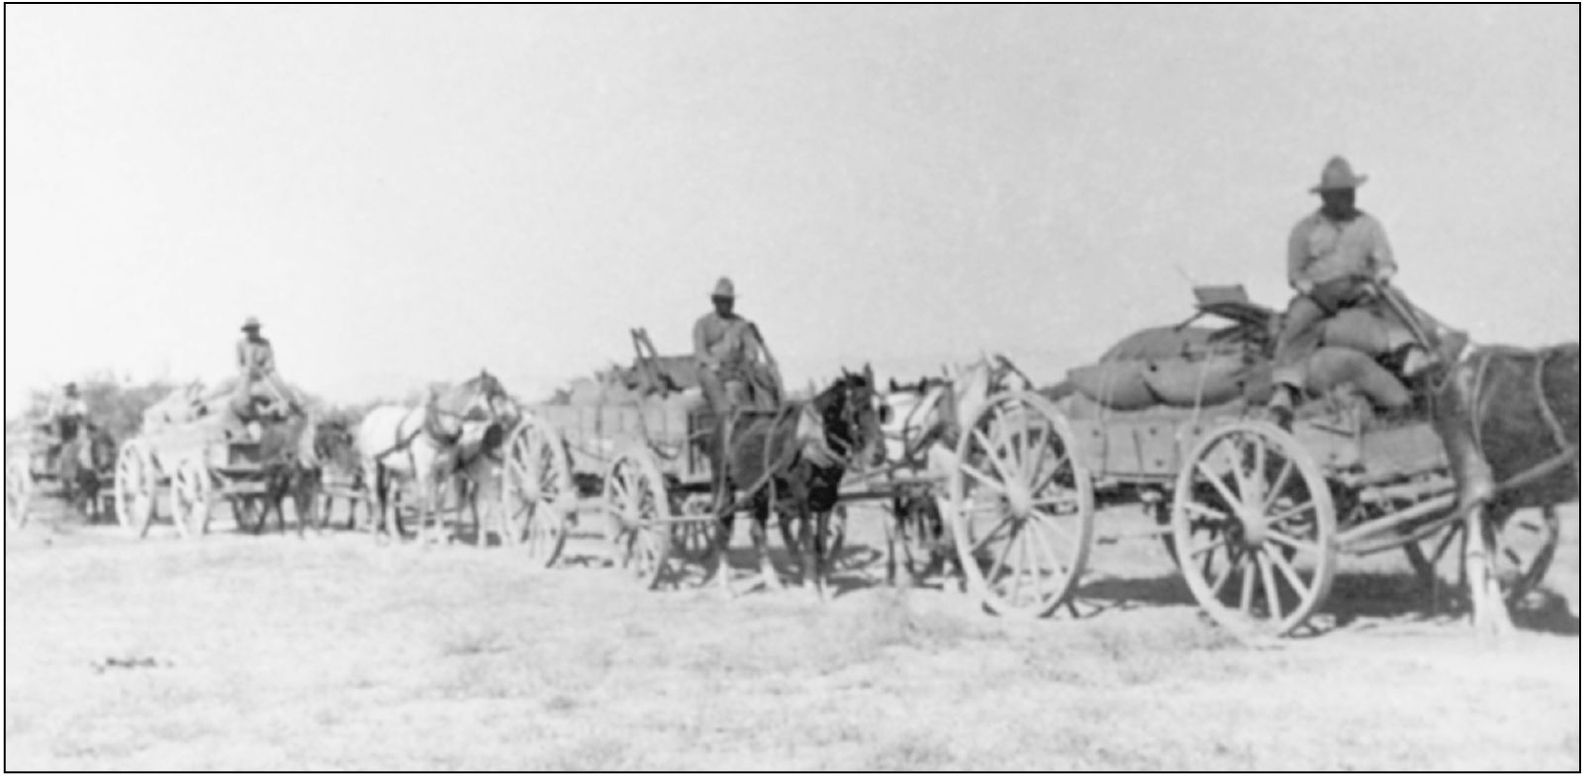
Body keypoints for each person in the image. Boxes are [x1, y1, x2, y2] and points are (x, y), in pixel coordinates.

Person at [1267, 157, 1435, 429]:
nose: (1347, 199)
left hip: (1359, 287)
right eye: (1340, 194)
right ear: (1326, 197)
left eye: (1350, 193)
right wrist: (1311, 290)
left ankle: (1410, 353)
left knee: (1397, 302)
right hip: (1320, 291)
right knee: (1298, 321)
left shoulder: (1368, 225)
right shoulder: (1305, 229)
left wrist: (1381, 276)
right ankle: (1285, 388)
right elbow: (1295, 273)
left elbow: (1385, 261)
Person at [692, 278, 779, 416]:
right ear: (714, 301)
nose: (725, 304)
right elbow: (700, 353)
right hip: (713, 369)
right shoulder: (702, 324)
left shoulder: (741, 324)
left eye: (728, 300)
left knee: (763, 371)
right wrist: (716, 365)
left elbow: (751, 350)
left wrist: (748, 361)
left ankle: (771, 413)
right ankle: (724, 417)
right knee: (709, 377)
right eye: (721, 300)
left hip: (737, 369)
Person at [234, 316, 298, 418]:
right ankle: (245, 408)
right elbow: (239, 363)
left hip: (264, 372)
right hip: (249, 372)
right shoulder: (240, 344)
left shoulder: (265, 343)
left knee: (276, 378)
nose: (253, 332)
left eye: (255, 329)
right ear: (246, 331)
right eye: (250, 330)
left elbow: (270, 361)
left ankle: (291, 403)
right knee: (243, 390)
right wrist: (246, 370)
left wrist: (265, 369)